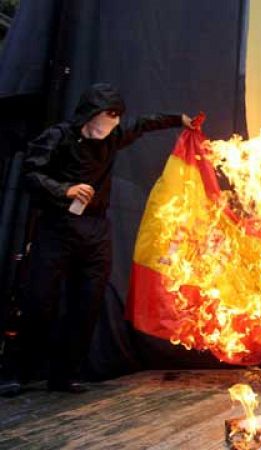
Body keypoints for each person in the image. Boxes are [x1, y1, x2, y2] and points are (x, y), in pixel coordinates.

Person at [0, 83, 195, 395]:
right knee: (38, 301)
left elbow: (145, 123)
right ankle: (13, 372)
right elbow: (30, 173)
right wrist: (64, 190)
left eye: (117, 117)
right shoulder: (59, 137)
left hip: (95, 231)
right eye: (107, 115)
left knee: (88, 302)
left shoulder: (114, 136)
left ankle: (65, 375)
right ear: (90, 115)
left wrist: (179, 119)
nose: (112, 122)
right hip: (57, 228)